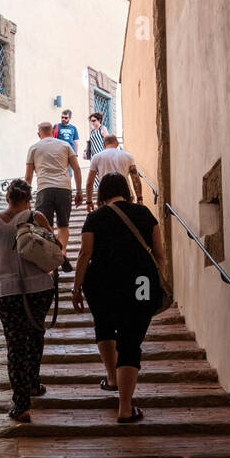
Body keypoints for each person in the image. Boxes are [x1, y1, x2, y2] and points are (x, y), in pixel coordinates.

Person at [71, 172, 165, 423]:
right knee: (130, 340)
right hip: (140, 283)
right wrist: (155, 282)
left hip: (102, 282)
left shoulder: (95, 217)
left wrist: (76, 288)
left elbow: (84, 254)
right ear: (126, 189)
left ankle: (111, 377)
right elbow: (160, 254)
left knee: (103, 324)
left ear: (102, 193)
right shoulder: (145, 214)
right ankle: (125, 407)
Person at [0, 178, 55, 422]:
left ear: (7, 198)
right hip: (39, 288)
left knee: (15, 345)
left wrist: (0, 283)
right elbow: (54, 249)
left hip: (6, 292)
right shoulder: (37, 217)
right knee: (35, 335)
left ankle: (21, 404)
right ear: (28, 198)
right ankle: (33, 383)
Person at [25, 121, 83, 273]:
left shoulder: (34, 148)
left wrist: (26, 199)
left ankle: (50, 266)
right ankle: (62, 253)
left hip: (44, 189)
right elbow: (76, 168)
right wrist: (79, 192)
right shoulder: (65, 145)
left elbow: (28, 177)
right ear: (53, 132)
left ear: (39, 134)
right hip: (64, 188)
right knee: (63, 225)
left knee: (45, 226)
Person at [86, 134, 143, 208]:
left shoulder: (96, 157)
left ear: (103, 144)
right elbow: (135, 179)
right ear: (117, 143)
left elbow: (89, 182)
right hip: (125, 194)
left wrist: (89, 201)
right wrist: (139, 198)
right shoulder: (128, 156)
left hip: (105, 196)